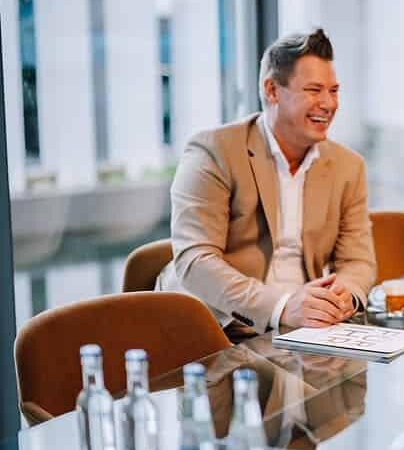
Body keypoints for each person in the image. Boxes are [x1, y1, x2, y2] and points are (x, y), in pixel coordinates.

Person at [157, 28, 375, 342]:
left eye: (334, 90)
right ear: (272, 91)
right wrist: (283, 307)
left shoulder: (348, 166)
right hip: (216, 328)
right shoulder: (212, 151)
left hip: (305, 331)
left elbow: (358, 259)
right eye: (314, 90)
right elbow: (196, 261)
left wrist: (344, 297)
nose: (329, 104)